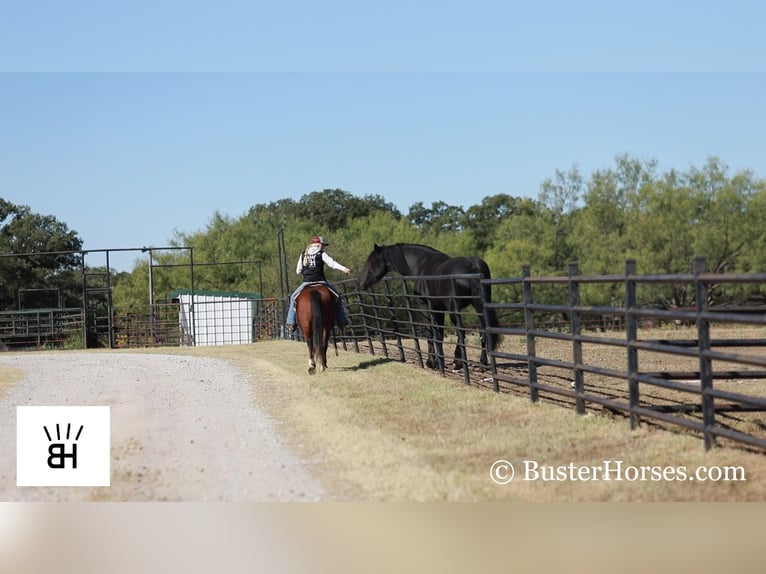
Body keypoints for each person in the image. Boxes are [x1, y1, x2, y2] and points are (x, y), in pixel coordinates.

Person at [285, 235, 352, 333]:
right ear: (319, 245)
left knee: (292, 298)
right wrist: (344, 269)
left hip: (306, 282)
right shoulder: (322, 254)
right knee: (338, 297)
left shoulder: (304, 254)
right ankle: (341, 321)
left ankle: (290, 322)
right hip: (321, 281)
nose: (324, 247)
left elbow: (298, 271)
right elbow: (332, 263)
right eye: (323, 245)